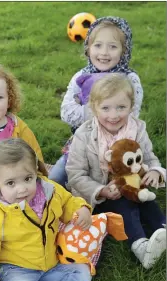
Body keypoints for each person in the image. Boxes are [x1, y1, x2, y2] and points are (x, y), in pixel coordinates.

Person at [0, 138, 93, 281]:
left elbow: (67, 201)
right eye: (11, 183)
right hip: (14, 271)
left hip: (49, 266)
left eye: (27, 178)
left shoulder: (50, 190)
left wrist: (80, 208)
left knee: (82, 271)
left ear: (35, 172)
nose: (22, 188)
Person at [66, 73, 166, 269]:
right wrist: (100, 190)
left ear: (131, 106)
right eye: (106, 108)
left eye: (121, 107)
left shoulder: (137, 129)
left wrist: (154, 171)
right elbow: (75, 173)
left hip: (135, 187)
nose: (114, 115)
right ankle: (142, 247)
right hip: (104, 196)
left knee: (148, 202)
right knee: (126, 209)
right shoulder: (85, 135)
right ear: (94, 108)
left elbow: (148, 157)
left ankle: (161, 228)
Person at [50, 16, 143, 187]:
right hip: (81, 146)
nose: (104, 53)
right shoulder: (81, 76)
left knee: (120, 191)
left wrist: (88, 109)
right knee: (55, 180)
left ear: (124, 50)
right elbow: (66, 112)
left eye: (113, 47)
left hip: (117, 149)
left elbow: (131, 116)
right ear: (88, 48)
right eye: (98, 45)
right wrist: (100, 112)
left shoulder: (130, 79)